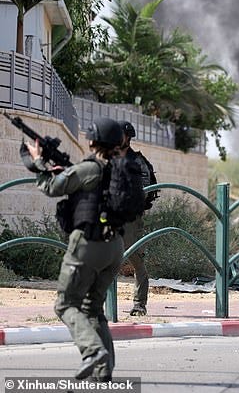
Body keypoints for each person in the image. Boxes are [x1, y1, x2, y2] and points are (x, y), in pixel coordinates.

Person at [24, 117, 124, 381]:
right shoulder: (120, 169)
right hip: (114, 247)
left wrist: (36, 160)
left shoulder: (90, 168)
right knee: (92, 307)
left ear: (92, 141)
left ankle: (92, 352)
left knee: (65, 304)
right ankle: (104, 372)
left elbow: (52, 187)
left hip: (88, 245)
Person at [118, 121, 157, 317]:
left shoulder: (137, 161)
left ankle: (139, 303)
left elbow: (144, 187)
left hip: (131, 218)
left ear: (128, 137)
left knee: (136, 260)